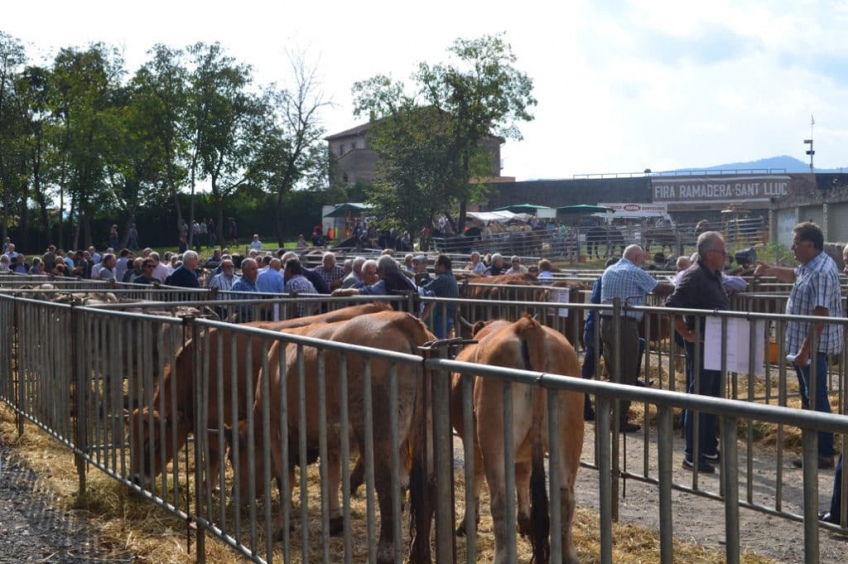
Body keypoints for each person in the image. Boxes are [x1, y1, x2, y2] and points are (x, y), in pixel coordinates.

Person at [754, 222, 841, 469]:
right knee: (808, 398)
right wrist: (771, 269)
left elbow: (821, 314)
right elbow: (793, 274)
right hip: (802, 346)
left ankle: (823, 453)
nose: (792, 247)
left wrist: (805, 351)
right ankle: (813, 449)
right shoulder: (808, 266)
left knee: (816, 400)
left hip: (812, 348)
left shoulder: (822, 270)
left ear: (810, 245)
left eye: (796, 243)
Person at [666, 232, 730, 474]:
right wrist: (688, 334)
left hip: (714, 344)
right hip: (702, 344)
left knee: (711, 396)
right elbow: (672, 306)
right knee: (699, 396)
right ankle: (692, 454)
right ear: (709, 254)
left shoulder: (713, 275)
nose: (725, 256)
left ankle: (708, 447)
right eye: (722, 251)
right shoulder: (694, 275)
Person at [600, 245, 674, 433]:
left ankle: (610, 414)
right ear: (636, 257)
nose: (642, 263)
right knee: (627, 372)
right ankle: (620, 420)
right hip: (625, 324)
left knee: (613, 370)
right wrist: (679, 284)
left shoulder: (609, 270)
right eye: (641, 259)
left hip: (605, 323)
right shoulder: (633, 270)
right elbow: (659, 288)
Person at [420, 254, 459, 339]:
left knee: (438, 343)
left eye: (436, 264)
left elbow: (425, 289)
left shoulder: (442, 278)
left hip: (442, 317)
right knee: (444, 342)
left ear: (442, 266)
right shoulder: (451, 277)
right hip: (449, 316)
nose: (434, 266)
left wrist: (422, 281)